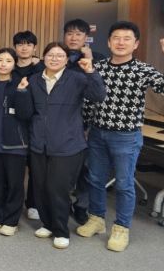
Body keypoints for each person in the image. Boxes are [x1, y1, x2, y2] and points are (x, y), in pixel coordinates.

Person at [78, 22, 164, 252]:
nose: (120, 42)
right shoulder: (98, 67)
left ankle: (121, 227)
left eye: (127, 38)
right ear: (108, 42)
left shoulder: (142, 69)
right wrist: (84, 127)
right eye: (116, 38)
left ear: (136, 44)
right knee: (95, 179)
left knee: (124, 183)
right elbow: (89, 100)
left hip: (126, 136)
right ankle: (96, 219)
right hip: (97, 133)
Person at [16, 42, 105, 249]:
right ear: (43, 57)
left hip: (67, 144)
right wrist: (21, 93)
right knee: (40, 187)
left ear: (66, 60)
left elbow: (98, 96)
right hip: (39, 143)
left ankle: (60, 230)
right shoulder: (34, 80)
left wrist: (91, 72)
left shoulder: (76, 78)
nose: (54, 59)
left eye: (59, 55)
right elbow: (25, 113)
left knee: (58, 189)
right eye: (50, 55)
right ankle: (47, 224)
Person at [62, 18, 107, 225]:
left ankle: (81, 206)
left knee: (86, 170)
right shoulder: (58, 56)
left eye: (78, 34)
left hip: (88, 123)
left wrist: (90, 61)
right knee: (63, 169)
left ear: (86, 37)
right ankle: (62, 204)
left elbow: (100, 91)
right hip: (63, 122)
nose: (73, 38)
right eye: (70, 33)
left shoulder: (98, 59)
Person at [0, 48, 29, 236]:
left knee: (14, 184)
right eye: (0, 60)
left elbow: (26, 114)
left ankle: (11, 221)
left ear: (14, 64)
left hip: (15, 143)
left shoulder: (21, 84)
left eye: (8, 60)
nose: (3, 64)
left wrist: (22, 92)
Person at [12, 30, 41, 221]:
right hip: (13, 123)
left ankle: (33, 204)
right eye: (20, 44)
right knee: (14, 167)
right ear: (15, 47)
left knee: (36, 167)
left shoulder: (41, 69)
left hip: (35, 123)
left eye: (28, 44)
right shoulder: (8, 68)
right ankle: (12, 203)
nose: (24, 48)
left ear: (34, 48)